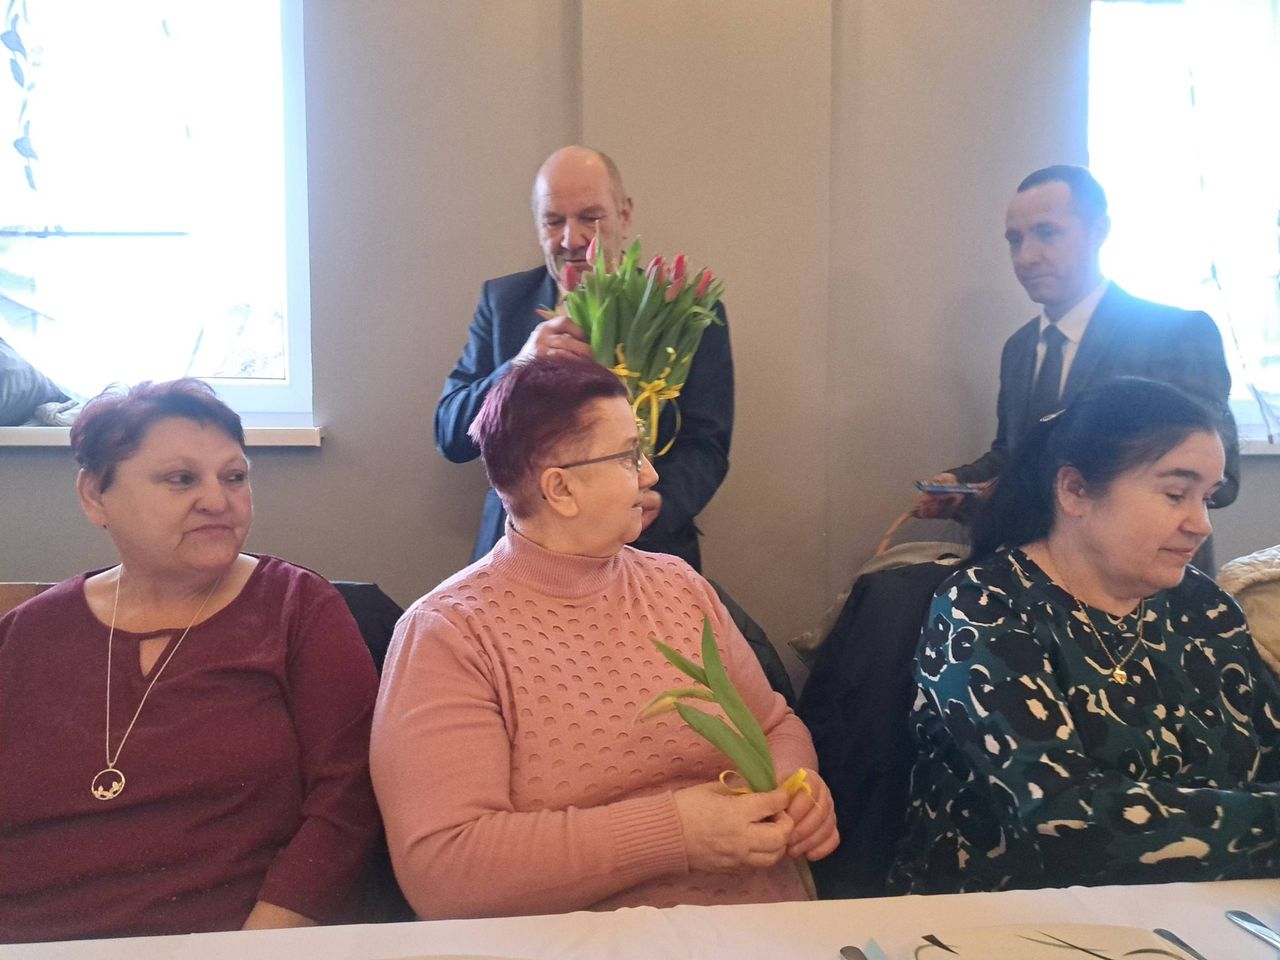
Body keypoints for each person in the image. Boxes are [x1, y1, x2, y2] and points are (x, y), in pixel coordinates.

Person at [373, 355, 835, 919]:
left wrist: (796, 786)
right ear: (561, 489)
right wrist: (675, 834)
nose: (651, 475)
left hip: (762, 925)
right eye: (628, 456)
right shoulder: (449, 634)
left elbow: (774, 726)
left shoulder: (680, 586)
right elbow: (446, 870)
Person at [0, 379, 381, 942]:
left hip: (240, 942)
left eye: (234, 477)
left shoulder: (297, 607)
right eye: (181, 479)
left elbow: (348, 801)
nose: (217, 500)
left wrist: (255, 949)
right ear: (95, 495)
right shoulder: (27, 634)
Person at [893, 377, 1280, 894]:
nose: (1201, 524)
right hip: (1006, 917)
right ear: (1074, 490)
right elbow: (1065, 822)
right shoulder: (985, 606)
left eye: (1206, 498)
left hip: (1207, 907)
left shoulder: (1202, 606)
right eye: (1175, 494)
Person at [917, 166, 1239, 564]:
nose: (1026, 257)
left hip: (1147, 578)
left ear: (1098, 231)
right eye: (1015, 240)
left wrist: (1013, 489)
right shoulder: (1019, 348)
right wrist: (961, 485)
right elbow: (1015, 451)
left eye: (1047, 233)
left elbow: (1221, 478)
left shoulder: (1175, 333)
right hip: (1038, 574)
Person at [434, 145, 733, 571]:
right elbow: (449, 435)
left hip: (646, 553)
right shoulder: (503, 303)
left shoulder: (682, 310)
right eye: (553, 221)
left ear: (624, 216)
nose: (571, 240)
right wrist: (518, 366)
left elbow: (707, 444)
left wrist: (663, 500)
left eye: (590, 218)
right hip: (515, 561)